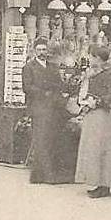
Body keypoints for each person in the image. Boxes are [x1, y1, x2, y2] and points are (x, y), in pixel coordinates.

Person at [74, 45, 111, 198]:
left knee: (103, 149)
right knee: (93, 149)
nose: (89, 59)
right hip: (92, 115)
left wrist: (97, 102)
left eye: (91, 56)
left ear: (97, 58)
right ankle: (97, 182)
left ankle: (105, 184)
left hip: (104, 115)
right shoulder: (91, 73)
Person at [22, 37, 67, 184]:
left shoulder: (53, 67)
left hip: (53, 107)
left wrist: (59, 91)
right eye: (39, 49)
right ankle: (43, 175)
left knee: (50, 140)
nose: (42, 52)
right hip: (38, 108)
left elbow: (59, 84)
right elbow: (27, 87)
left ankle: (44, 174)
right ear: (34, 51)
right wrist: (43, 93)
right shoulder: (28, 67)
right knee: (40, 140)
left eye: (44, 49)